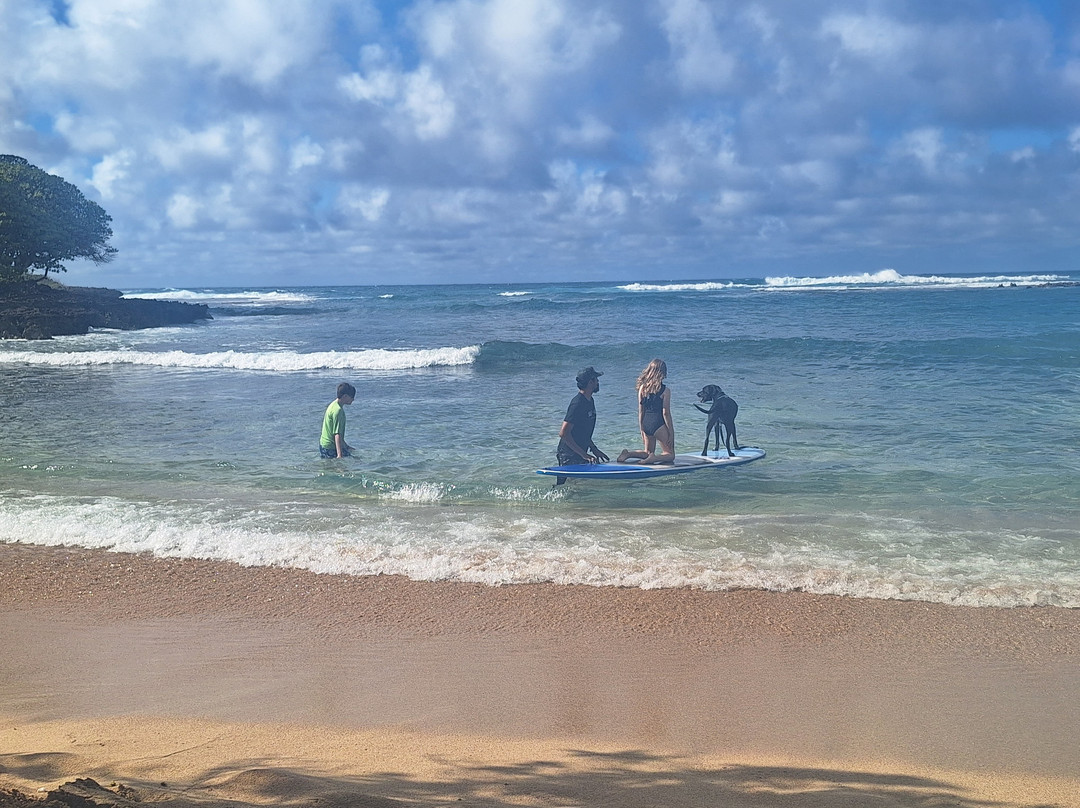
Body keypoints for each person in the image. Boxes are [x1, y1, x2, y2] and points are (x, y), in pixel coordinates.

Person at [554, 366, 609, 484]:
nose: (598, 382)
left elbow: (583, 431)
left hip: (579, 453)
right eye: (596, 379)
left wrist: (594, 449)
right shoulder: (577, 403)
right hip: (568, 455)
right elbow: (564, 433)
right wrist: (584, 455)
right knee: (564, 489)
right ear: (590, 382)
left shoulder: (590, 400)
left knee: (578, 488)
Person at [617, 358, 675, 465]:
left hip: (646, 423)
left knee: (647, 452)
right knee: (670, 454)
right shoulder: (665, 391)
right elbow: (665, 413)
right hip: (658, 424)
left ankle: (628, 454)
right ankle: (654, 459)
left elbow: (641, 411)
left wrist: (642, 429)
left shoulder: (642, 389)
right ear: (662, 372)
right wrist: (671, 432)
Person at [319, 382, 356, 458]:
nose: (353, 399)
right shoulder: (338, 411)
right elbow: (337, 434)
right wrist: (339, 455)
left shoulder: (333, 404)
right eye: (352, 397)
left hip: (324, 445)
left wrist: (346, 447)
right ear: (345, 396)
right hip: (330, 447)